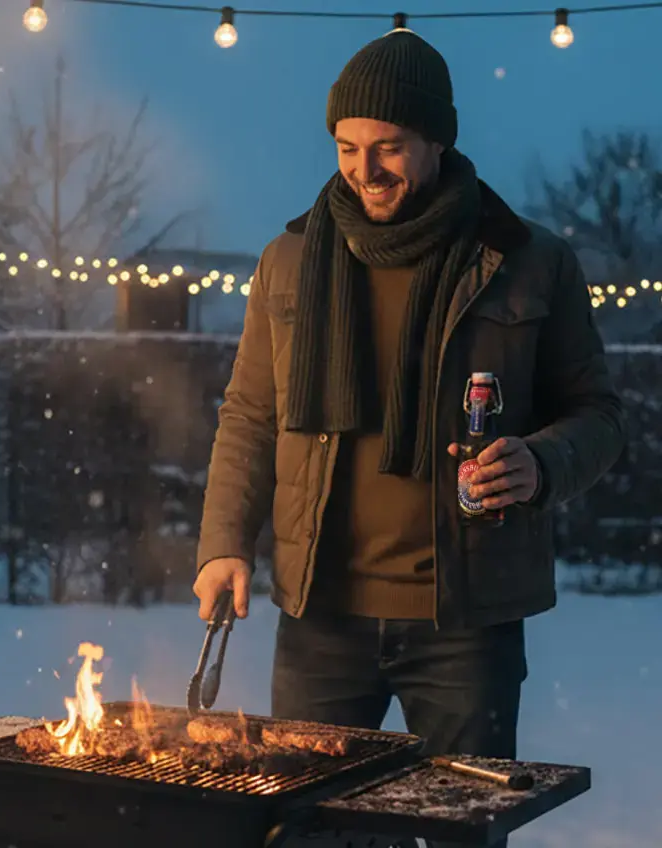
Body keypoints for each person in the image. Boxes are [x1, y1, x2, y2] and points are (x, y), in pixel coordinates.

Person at [193, 27, 624, 848]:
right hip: (321, 617)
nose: (363, 170)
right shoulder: (289, 261)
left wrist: (542, 462)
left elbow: (599, 415)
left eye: (387, 147)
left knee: (463, 836)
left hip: (465, 622)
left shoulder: (530, 263)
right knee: (306, 832)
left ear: (437, 141)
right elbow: (249, 416)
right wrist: (223, 544)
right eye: (347, 148)